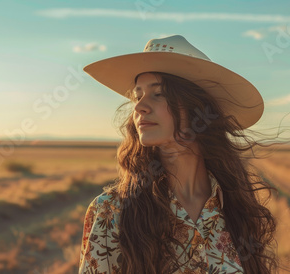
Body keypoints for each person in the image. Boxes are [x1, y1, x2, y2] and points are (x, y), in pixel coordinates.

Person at [78, 35, 277, 273]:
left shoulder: (235, 210)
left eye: (158, 93)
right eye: (137, 95)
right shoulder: (112, 212)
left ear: (199, 109)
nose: (140, 106)